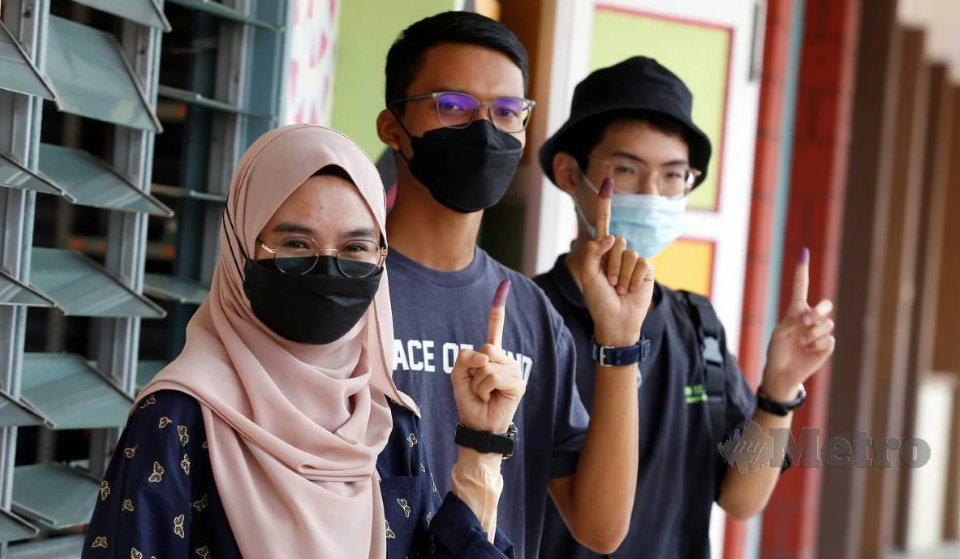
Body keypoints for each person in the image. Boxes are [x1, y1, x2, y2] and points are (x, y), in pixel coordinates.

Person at [80, 124, 532, 559]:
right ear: (240, 248)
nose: (329, 269)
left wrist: (482, 444)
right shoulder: (178, 418)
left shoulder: (387, 423)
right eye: (296, 243)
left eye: (355, 248)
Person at [534, 56, 838, 558]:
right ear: (570, 173)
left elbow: (740, 498)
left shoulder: (698, 326)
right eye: (627, 170)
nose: (653, 194)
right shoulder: (529, 317)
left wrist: (780, 390)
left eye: (674, 175)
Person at [376, 11, 654, 559]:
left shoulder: (530, 312)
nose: (485, 129)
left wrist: (620, 342)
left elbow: (601, 527)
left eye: (507, 112)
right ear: (392, 128)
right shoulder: (346, 286)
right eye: (453, 105)